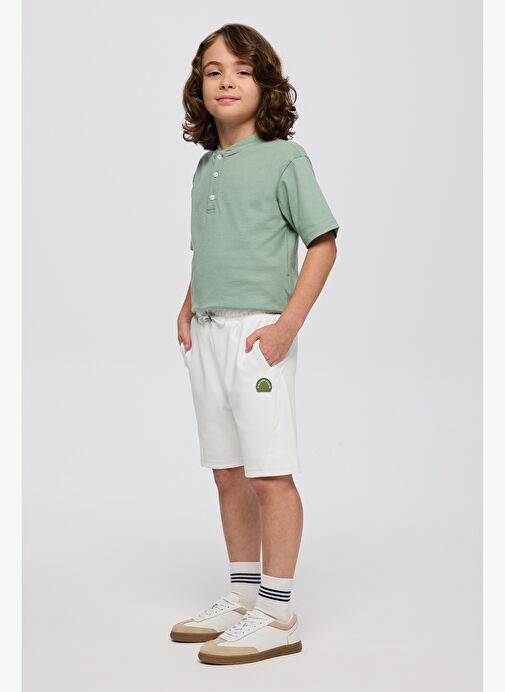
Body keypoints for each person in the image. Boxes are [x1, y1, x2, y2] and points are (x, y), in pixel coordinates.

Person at [170, 23, 339, 665]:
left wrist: (287, 326)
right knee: (228, 471)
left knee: (269, 472)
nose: (227, 81)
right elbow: (211, 250)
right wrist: (188, 306)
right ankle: (243, 597)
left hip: (257, 336)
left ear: (265, 84)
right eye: (214, 71)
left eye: (242, 70)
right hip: (209, 331)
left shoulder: (285, 159)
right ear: (199, 87)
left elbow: (322, 243)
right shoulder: (205, 167)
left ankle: (278, 612)